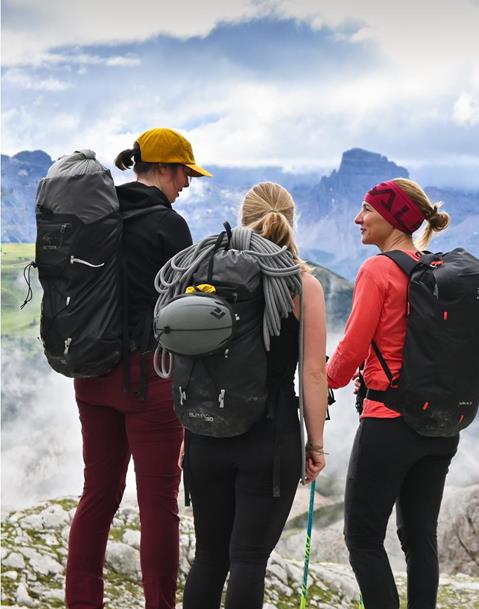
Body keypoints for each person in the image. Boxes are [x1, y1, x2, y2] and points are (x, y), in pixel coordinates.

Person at [66, 128, 210, 609]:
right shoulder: (170, 227)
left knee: (98, 495)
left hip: (90, 374)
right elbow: (188, 309)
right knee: (157, 504)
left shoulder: (97, 216)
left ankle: (82, 602)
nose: (186, 185)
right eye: (184, 174)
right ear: (165, 170)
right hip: (148, 379)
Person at [180, 182, 328, 609]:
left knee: (209, 557)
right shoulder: (302, 285)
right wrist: (315, 445)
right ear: (291, 220)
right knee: (248, 560)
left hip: (206, 434)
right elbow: (313, 373)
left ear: (243, 218)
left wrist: (185, 434)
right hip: (270, 437)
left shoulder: (201, 270)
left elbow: (186, 360)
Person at [326, 177, 454, 609]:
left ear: (395, 217)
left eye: (367, 210)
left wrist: (319, 379)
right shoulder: (433, 269)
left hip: (389, 424)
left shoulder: (378, 269)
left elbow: (350, 353)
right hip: (439, 425)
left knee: (362, 538)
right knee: (420, 538)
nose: (357, 218)